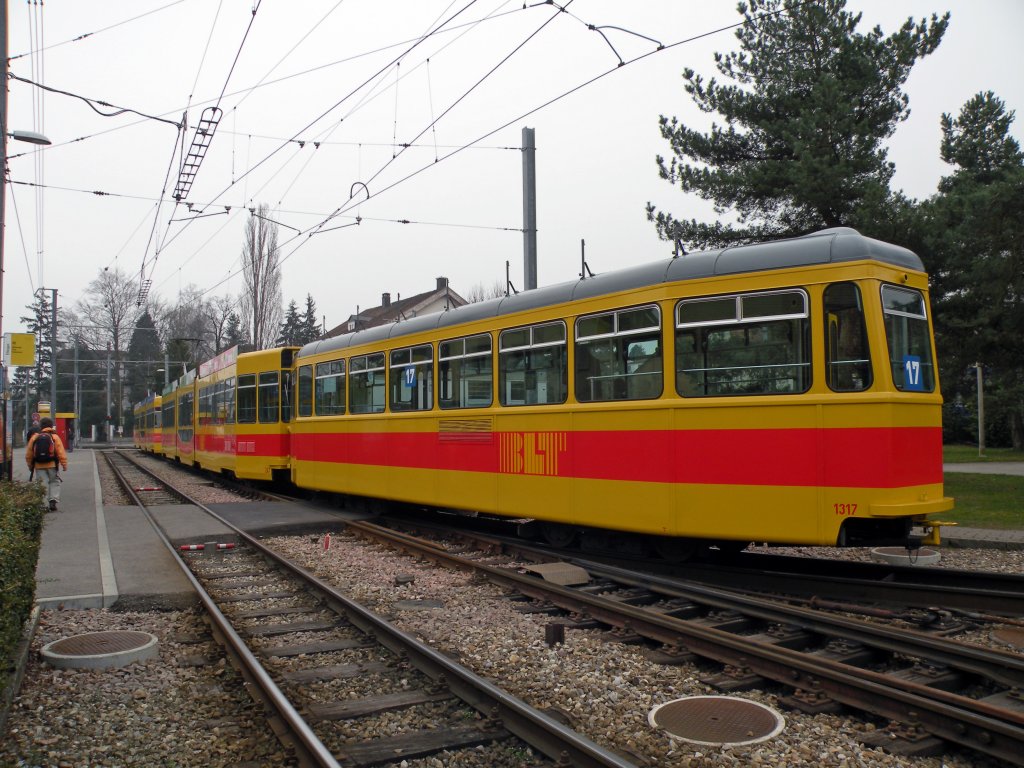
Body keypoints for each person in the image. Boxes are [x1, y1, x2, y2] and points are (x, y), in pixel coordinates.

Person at [26, 417, 68, 511]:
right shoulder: (55, 437)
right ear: (51, 426)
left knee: (42, 484)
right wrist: (64, 465)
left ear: (41, 426)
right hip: (52, 465)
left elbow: (29, 454)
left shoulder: (35, 437)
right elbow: (61, 452)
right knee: (55, 482)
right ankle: (53, 500)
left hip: (39, 465)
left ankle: (43, 505)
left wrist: (30, 466)